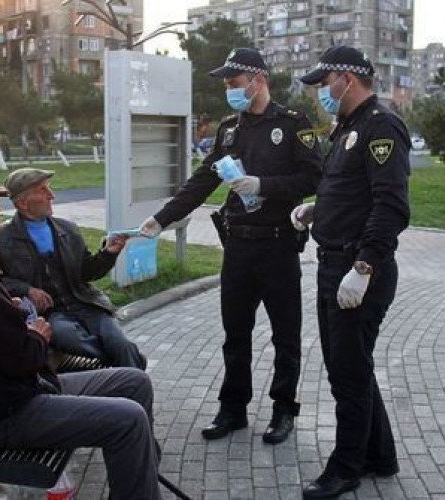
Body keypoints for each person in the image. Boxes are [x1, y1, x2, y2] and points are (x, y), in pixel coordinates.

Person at [140, 48, 322, 444]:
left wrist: (264, 186)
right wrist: (161, 219)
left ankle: (283, 409)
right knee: (235, 334)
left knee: (285, 336)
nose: (230, 92)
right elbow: (201, 182)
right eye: (227, 86)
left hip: (277, 247)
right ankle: (232, 408)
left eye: (234, 84)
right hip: (238, 247)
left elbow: (314, 178)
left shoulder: (293, 124)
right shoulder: (227, 130)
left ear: (258, 80)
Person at [0, 176, 161, 500]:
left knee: (134, 381)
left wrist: (12, 312)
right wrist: (37, 334)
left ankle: (140, 473)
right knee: (128, 420)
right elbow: (23, 358)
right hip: (6, 412)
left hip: (21, 388)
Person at [291, 46, 410, 498]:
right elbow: (353, 193)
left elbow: (391, 205)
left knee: (346, 376)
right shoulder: (347, 128)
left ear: (346, 78)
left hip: (358, 268)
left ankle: (345, 469)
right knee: (354, 368)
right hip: (333, 262)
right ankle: (381, 455)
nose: (322, 91)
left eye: (324, 83)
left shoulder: (381, 127)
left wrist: (364, 267)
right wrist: (317, 211)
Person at [0, 167, 146, 369]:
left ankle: (124, 363)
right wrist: (26, 290)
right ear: (22, 203)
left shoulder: (68, 228)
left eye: (49, 188)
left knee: (118, 341)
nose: (52, 195)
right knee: (68, 337)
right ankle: (126, 360)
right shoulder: (2, 238)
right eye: (42, 190)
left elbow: (87, 272)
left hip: (86, 303)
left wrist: (109, 253)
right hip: (50, 314)